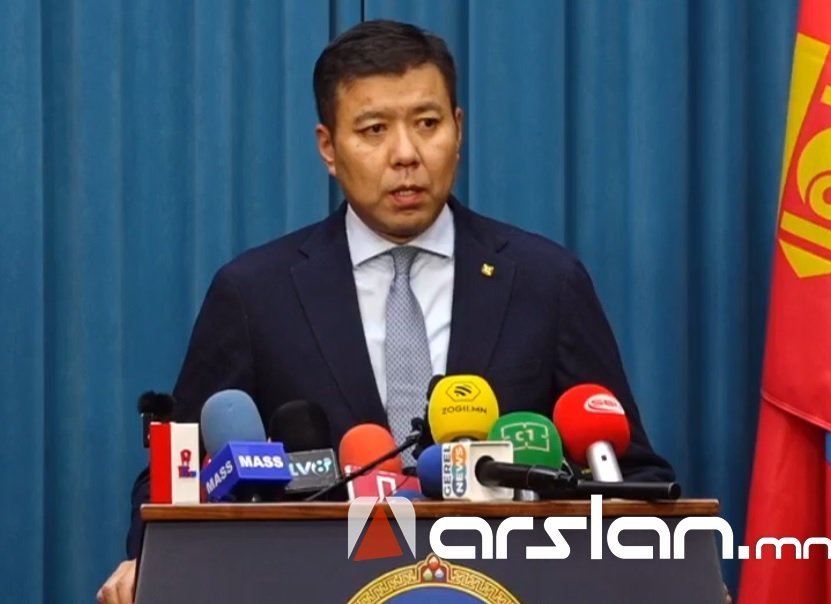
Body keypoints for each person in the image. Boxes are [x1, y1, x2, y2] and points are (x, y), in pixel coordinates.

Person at [97, 19, 674, 603]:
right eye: (374, 130)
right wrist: (151, 561)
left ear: (458, 129)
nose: (406, 155)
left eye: (427, 124)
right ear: (329, 147)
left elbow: (631, 471)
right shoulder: (255, 293)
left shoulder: (545, 281)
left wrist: (675, 575)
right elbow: (176, 475)